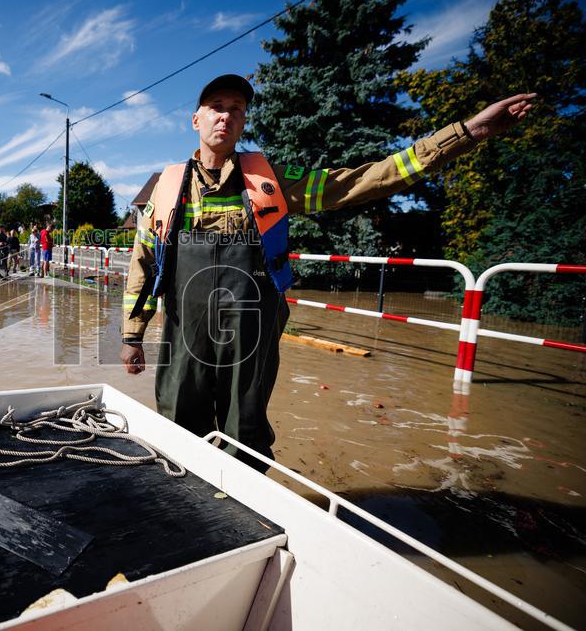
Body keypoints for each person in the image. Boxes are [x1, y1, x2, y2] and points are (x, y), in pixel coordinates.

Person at [119, 73, 535, 471]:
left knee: (244, 430)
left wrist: (468, 134)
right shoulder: (167, 187)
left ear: (244, 121)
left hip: (252, 327)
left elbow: (363, 181)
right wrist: (130, 336)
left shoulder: (273, 180)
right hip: (185, 328)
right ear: (197, 119)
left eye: (236, 108)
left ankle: (241, 507)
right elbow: (144, 262)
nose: (225, 115)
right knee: (177, 418)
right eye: (215, 107)